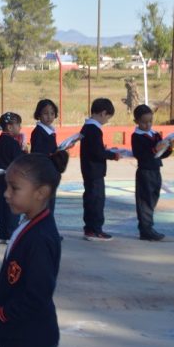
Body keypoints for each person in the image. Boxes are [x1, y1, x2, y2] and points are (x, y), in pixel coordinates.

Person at [0, 151, 68, 347]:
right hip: (16, 336)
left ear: (41, 192)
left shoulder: (41, 238)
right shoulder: (28, 225)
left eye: (14, 188)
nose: (6, 194)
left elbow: (37, 295)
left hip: (29, 340)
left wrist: (2, 316)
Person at [131, 104, 174, 242]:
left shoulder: (155, 134)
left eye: (150, 121)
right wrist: (155, 150)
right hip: (145, 171)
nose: (148, 125)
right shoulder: (137, 136)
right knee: (145, 201)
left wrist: (169, 147)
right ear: (136, 122)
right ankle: (145, 229)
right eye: (144, 122)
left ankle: (148, 227)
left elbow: (161, 155)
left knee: (153, 199)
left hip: (156, 170)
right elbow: (140, 154)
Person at [80, 98, 119, 241]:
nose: (107, 120)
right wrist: (112, 155)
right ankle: (95, 230)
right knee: (97, 200)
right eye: (108, 117)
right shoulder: (94, 129)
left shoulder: (87, 127)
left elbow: (93, 149)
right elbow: (97, 153)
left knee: (91, 199)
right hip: (94, 171)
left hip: (88, 169)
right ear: (103, 113)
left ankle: (90, 229)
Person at [0, 112, 26, 243]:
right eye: (18, 124)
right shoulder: (12, 143)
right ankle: (11, 232)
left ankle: (2, 233)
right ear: (9, 127)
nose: (20, 127)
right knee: (13, 204)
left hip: (0, 178)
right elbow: (18, 160)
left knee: (2, 204)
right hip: (13, 179)